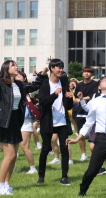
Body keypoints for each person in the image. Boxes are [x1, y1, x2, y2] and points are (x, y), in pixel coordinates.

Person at [0, 60, 47, 195]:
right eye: (13, 65)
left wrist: (43, 74)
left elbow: (34, 86)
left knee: (13, 157)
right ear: (6, 69)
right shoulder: (0, 83)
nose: (16, 67)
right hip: (3, 121)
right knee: (10, 155)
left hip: (15, 120)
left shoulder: (19, 84)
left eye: (16, 65)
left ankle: (6, 184)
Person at [37, 58, 74, 186]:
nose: (61, 70)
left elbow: (68, 106)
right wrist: (54, 94)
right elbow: (42, 102)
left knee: (64, 149)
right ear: (52, 69)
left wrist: (69, 98)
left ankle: (64, 177)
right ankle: (41, 176)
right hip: (48, 121)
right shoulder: (44, 84)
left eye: (62, 67)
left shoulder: (63, 82)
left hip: (62, 122)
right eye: (58, 67)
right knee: (46, 148)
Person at [16, 70, 40, 174]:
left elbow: (36, 87)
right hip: (15, 120)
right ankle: (11, 167)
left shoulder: (27, 89)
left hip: (26, 120)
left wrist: (37, 75)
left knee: (24, 146)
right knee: (13, 147)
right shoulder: (12, 88)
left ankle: (32, 168)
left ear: (24, 79)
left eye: (19, 76)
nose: (17, 78)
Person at [73, 67, 98, 162]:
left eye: (89, 72)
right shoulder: (79, 85)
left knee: (94, 134)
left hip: (92, 111)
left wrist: (83, 98)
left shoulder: (95, 84)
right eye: (85, 72)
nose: (87, 73)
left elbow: (94, 96)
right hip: (80, 112)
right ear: (82, 73)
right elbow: (76, 97)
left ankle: (95, 153)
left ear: (91, 74)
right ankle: (83, 154)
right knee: (81, 134)